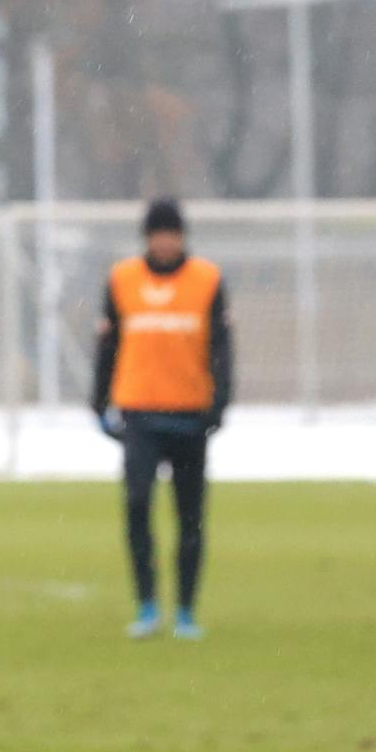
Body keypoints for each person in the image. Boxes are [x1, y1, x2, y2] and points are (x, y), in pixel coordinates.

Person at [89, 198, 233, 641]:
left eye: (172, 233)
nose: (165, 241)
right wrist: (98, 402)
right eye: (158, 233)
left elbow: (222, 349)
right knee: (136, 505)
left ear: (182, 236)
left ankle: (186, 610)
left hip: (190, 414)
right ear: (148, 238)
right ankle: (148, 604)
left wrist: (220, 404)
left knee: (190, 517)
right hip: (139, 412)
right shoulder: (122, 279)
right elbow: (108, 345)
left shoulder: (207, 280)